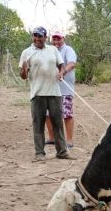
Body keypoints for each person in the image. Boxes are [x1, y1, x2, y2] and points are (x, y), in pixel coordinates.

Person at [19, 26, 74, 162]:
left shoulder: (53, 50)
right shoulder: (26, 53)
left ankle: (62, 152)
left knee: (58, 124)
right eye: (35, 36)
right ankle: (39, 154)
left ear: (45, 37)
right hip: (37, 94)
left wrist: (61, 72)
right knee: (38, 124)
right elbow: (23, 76)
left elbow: (61, 65)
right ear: (33, 37)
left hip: (55, 93)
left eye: (40, 36)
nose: (37, 39)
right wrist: (24, 70)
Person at [45, 30, 78, 147]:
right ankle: (52, 138)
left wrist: (63, 72)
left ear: (63, 38)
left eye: (58, 38)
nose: (56, 41)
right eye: (54, 39)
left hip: (65, 89)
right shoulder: (48, 50)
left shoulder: (68, 50)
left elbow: (72, 63)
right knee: (47, 114)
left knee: (67, 114)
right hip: (49, 88)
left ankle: (69, 140)